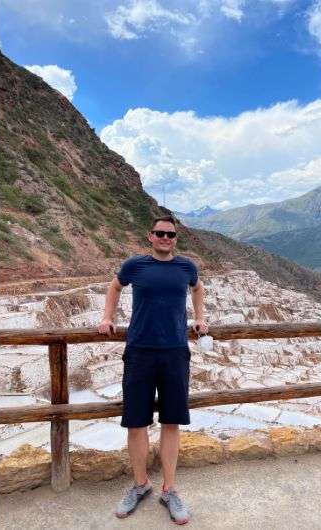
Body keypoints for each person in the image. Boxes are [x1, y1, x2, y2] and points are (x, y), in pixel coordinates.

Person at [97, 216, 207, 525]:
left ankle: (170, 490)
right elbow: (115, 286)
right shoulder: (135, 265)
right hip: (140, 352)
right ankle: (140, 484)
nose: (165, 238)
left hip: (174, 352)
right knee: (136, 422)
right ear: (150, 236)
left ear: (176, 238)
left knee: (171, 422)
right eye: (159, 233)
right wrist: (107, 317)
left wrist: (200, 317)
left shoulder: (186, 267)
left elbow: (199, 289)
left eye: (170, 234)